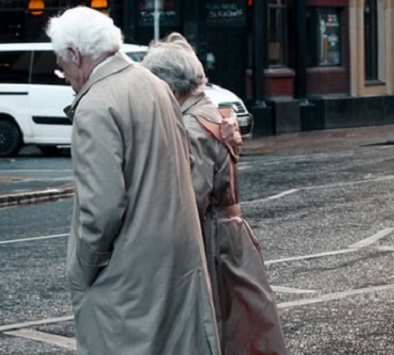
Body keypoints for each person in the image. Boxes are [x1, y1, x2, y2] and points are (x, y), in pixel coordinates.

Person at [46, 8, 220, 355]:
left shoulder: (95, 105)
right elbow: (183, 164)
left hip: (126, 279)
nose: (63, 75)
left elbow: (102, 209)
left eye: (61, 65)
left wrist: (81, 271)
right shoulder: (155, 85)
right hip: (174, 264)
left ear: (76, 55)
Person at [141, 32, 288, 355]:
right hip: (229, 236)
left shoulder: (192, 128)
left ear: (170, 85)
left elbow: (190, 197)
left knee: (214, 326)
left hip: (210, 239)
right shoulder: (210, 112)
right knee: (238, 326)